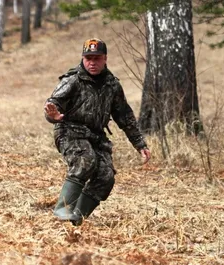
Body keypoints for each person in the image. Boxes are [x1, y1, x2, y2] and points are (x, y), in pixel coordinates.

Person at [44, 38, 150, 226]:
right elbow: (53, 103)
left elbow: (124, 116)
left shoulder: (112, 85)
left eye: (97, 58)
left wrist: (140, 144)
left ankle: (76, 218)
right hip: (69, 131)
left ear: (105, 59)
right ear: (83, 59)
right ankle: (63, 209)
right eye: (88, 58)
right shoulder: (73, 79)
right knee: (85, 161)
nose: (92, 62)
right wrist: (53, 114)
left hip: (96, 136)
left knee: (106, 177)